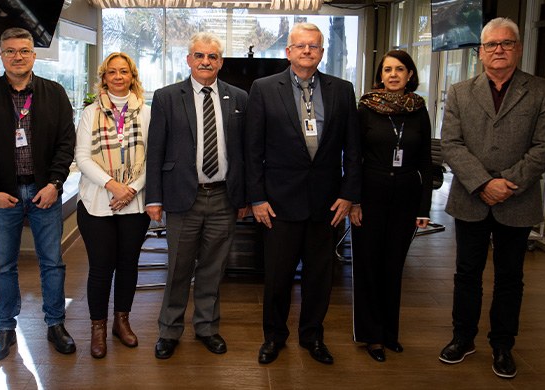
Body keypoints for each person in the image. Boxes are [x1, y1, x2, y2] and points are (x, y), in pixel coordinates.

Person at [438, 17, 545, 379]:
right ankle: (463, 338)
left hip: (516, 199)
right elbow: (451, 144)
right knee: (466, 273)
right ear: (481, 52)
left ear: (518, 49)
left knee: (510, 277)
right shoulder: (460, 91)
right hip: (470, 198)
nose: (499, 50)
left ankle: (503, 344)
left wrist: (506, 182)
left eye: (506, 43)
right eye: (491, 44)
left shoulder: (541, 91)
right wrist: (482, 183)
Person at [245, 22, 361, 365]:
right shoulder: (264, 88)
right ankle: (274, 337)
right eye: (301, 45)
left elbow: (353, 148)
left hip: (327, 203)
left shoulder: (342, 90)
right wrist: (257, 198)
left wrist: (349, 194)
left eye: (314, 46)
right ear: (288, 52)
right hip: (278, 203)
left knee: (319, 278)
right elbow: (252, 149)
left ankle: (312, 337)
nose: (307, 51)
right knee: (277, 278)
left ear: (322, 52)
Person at [0, 27, 77, 362]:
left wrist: (55, 184)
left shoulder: (54, 93)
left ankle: (55, 323)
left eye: (24, 50)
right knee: (3, 266)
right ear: (1, 55)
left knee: (52, 263)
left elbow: (66, 143)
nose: (17, 57)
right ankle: (5, 327)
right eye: (10, 51)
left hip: (45, 192)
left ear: (34, 55)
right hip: (3, 195)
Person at [145, 32, 249, 359]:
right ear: (189, 59)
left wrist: (245, 197)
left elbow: (245, 153)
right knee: (178, 268)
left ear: (221, 62)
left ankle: (206, 327)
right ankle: (169, 331)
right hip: (181, 197)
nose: (206, 61)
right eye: (199, 56)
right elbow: (156, 150)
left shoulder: (239, 98)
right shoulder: (166, 97)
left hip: (224, 197)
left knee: (213, 269)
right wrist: (153, 198)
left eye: (212, 56)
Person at [350, 50, 433, 363]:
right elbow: (353, 158)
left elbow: (426, 161)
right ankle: (371, 335)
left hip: (406, 199)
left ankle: (389, 333)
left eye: (399, 69)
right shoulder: (366, 108)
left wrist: (424, 208)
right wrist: (354, 201)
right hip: (369, 196)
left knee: (393, 267)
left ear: (410, 74)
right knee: (369, 266)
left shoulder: (419, 109)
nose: (393, 75)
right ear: (380, 76)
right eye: (387, 70)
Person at [75, 52, 151, 359]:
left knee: (128, 265)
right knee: (101, 267)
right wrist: (113, 185)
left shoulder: (147, 112)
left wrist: (131, 188)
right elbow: (82, 158)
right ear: (104, 78)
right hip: (96, 202)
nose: (118, 77)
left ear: (132, 76)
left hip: (135, 203)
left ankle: (122, 322)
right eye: (112, 72)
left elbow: (154, 157)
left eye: (124, 71)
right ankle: (98, 328)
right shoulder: (89, 113)